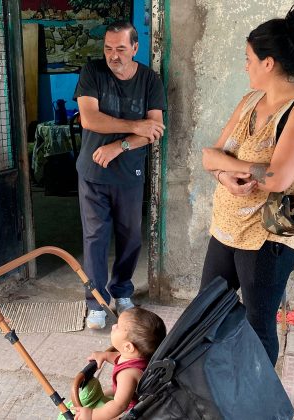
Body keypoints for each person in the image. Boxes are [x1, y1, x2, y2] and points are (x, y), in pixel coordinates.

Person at [200, 4, 294, 366]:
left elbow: (279, 179)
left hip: (269, 235)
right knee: (209, 308)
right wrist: (227, 174)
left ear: (268, 63)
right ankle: (222, 383)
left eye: (249, 59)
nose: (246, 66)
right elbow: (210, 157)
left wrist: (227, 164)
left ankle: (259, 400)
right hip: (228, 226)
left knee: (258, 325)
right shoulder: (250, 101)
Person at [74, 21, 166, 329]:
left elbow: (154, 129)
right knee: (95, 237)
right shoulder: (92, 72)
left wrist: (121, 145)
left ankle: (122, 290)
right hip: (93, 173)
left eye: (121, 50)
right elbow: (89, 119)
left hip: (129, 172)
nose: (114, 56)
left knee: (131, 236)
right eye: (108, 49)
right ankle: (97, 302)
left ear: (135, 48)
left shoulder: (149, 79)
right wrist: (134, 125)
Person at [70, 307, 166, 420]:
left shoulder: (127, 374)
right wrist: (105, 356)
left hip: (131, 412)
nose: (113, 326)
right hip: (128, 395)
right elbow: (120, 357)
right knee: (106, 393)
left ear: (128, 347)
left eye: (118, 327)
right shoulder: (138, 356)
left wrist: (91, 415)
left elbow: (119, 405)